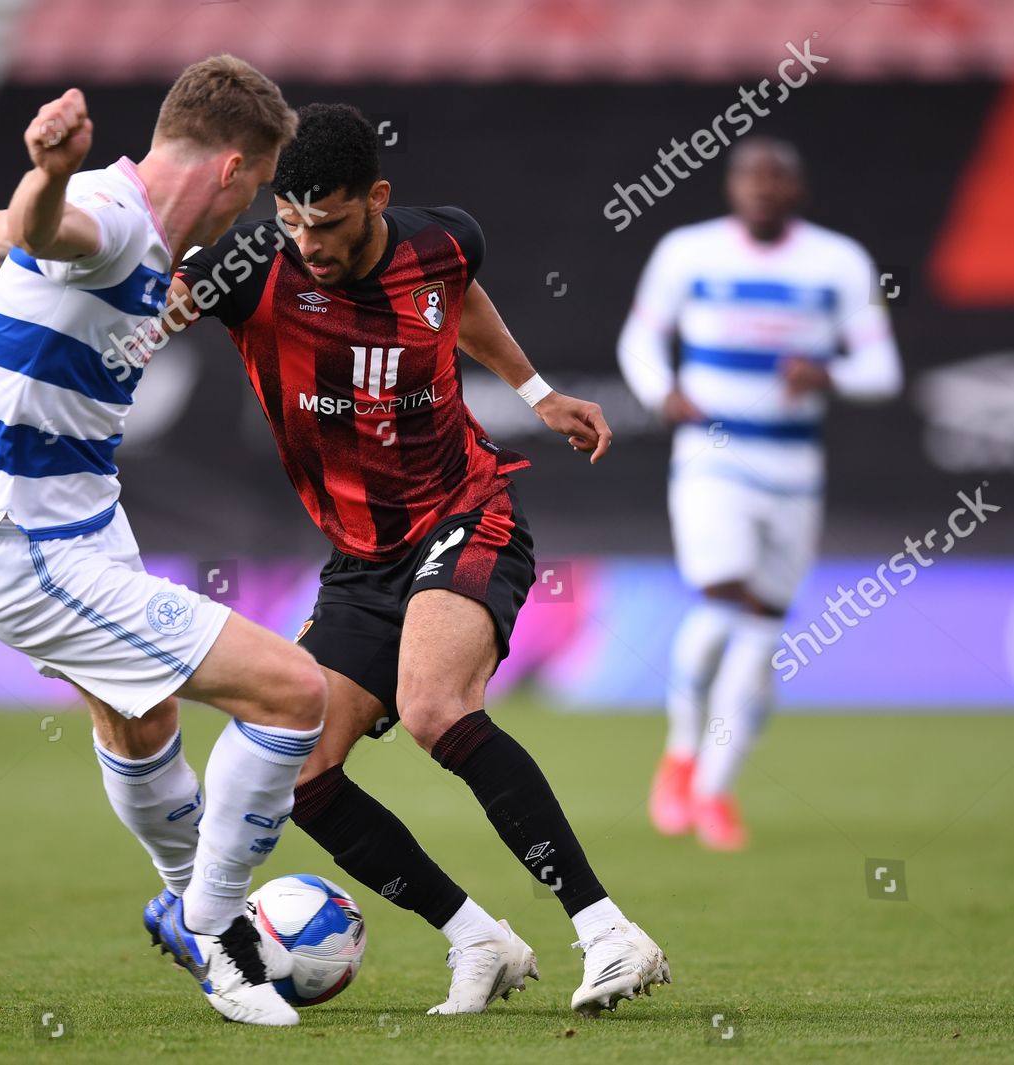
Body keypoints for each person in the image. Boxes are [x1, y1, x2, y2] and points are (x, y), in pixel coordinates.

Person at [159, 103, 670, 1018]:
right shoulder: (252, 275)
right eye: (292, 220)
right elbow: (158, 296)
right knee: (301, 772)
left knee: (437, 708)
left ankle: (606, 929)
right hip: (359, 559)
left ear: (377, 199)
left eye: (330, 222)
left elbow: (459, 295)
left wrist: (537, 391)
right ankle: (477, 937)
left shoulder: (443, 241)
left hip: (465, 511)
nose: (309, 243)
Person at [0, 57, 328, 1027]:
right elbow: (34, 229)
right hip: (35, 554)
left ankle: (191, 904)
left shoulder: (140, 232)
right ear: (231, 169)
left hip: (81, 522)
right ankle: (219, 934)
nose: (250, 210)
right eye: (257, 188)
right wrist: (49, 172)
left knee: (140, 727)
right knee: (294, 693)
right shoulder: (116, 221)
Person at [617, 138, 902, 850]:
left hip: (794, 468)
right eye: (751, 176)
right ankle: (683, 750)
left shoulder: (841, 262)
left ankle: (713, 788)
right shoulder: (687, 251)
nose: (763, 188)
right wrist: (663, 391)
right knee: (726, 595)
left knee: (765, 629)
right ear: (732, 187)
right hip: (713, 455)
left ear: (797, 192)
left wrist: (830, 373)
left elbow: (883, 367)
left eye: (778, 178)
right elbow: (639, 342)